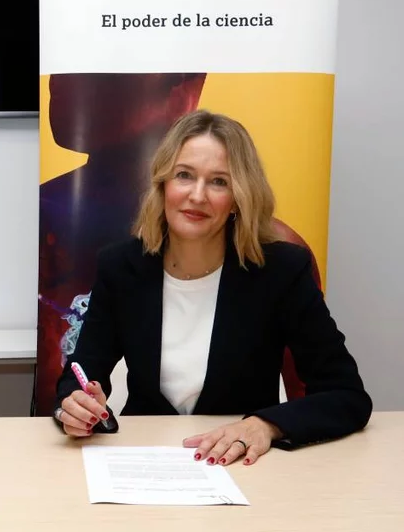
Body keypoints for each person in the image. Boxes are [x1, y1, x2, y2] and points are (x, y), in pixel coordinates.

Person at [54, 109, 372, 466]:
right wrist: (74, 405)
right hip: (145, 461)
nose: (198, 195)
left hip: (242, 465)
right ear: (163, 185)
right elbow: (80, 374)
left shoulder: (281, 272)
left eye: (219, 181)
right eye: (184, 176)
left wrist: (266, 425)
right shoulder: (122, 267)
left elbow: (347, 395)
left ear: (238, 197)